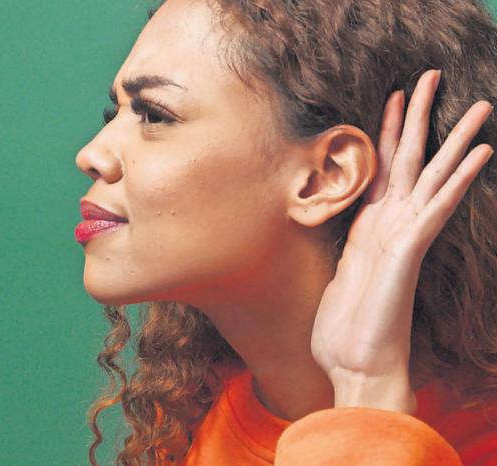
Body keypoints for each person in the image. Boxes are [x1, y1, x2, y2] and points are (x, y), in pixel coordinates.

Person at [73, 0, 497, 464]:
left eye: (155, 115)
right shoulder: (186, 422)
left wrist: (366, 390)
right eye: (115, 114)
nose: (91, 154)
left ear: (325, 176)